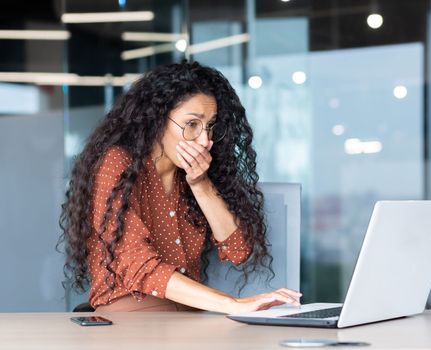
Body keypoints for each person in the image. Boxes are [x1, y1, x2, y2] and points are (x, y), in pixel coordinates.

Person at [59, 61, 301, 312]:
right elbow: (135, 262)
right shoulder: (117, 163)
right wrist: (232, 304)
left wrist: (200, 184)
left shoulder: (192, 177)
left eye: (210, 126)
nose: (205, 140)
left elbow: (238, 250)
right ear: (157, 119)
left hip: (188, 313)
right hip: (131, 311)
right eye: (192, 124)